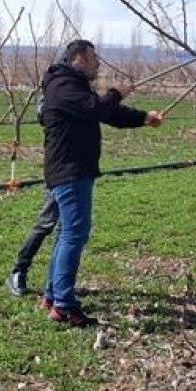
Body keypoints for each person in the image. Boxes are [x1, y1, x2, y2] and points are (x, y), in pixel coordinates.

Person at [36, 39, 163, 327]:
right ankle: (64, 305)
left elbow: (109, 113)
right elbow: (98, 108)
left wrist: (144, 118)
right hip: (70, 171)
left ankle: (52, 294)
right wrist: (117, 92)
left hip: (70, 170)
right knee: (74, 234)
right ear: (80, 58)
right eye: (94, 58)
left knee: (66, 233)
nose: (98, 63)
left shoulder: (72, 86)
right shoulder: (63, 86)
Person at [5, 191, 58, 296]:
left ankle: (59, 280)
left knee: (67, 231)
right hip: (60, 178)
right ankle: (18, 270)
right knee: (45, 223)